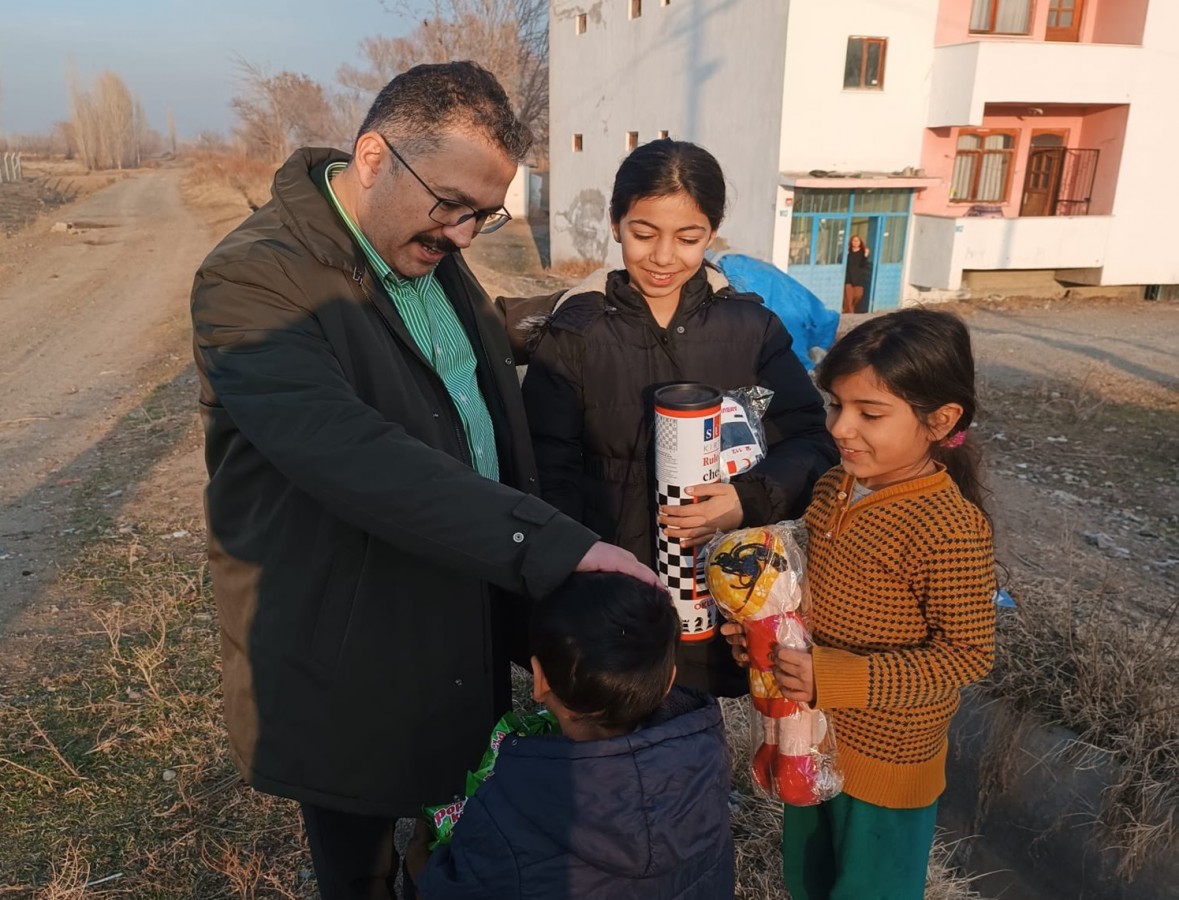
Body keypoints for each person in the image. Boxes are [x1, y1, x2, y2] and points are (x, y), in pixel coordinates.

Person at [190, 61, 657, 900]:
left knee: (454, 842)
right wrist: (552, 545)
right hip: (347, 645)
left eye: (485, 213)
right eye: (452, 206)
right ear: (373, 157)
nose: (465, 235)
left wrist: (572, 312)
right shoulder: (253, 281)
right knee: (359, 858)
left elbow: (455, 343)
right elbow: (353, 453)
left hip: (453, 601)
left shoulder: (417, 244)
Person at [511, 139, 837, 696]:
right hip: (611, 600)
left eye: (688, 238)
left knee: (690, 749)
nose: (664, 257)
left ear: (712, 234)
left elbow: (812, 442)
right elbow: (547, 473)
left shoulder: (752, 330)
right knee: (611, 747)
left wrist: (747, 499)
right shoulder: (577, 334)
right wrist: (578, 578)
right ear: (616, 225)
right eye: (644, 234)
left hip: (719, 597)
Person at [723, 307, 997, 900]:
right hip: (810, 737)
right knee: (809, 879)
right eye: (835, 406)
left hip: (887, 766)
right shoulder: (834, 487)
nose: (841, 428)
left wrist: (834, 676)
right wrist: (767, 638)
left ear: (940, 420)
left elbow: (967, 656)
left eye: (869, 413)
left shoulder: (948, 526)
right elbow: (805, 598)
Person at [414, 572, 736, 899]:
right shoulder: (706, 762)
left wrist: (421, 862)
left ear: (539, 681)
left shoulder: (507, 809)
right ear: (670, 680)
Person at [842, 234, 870, 315]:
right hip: (849, 277)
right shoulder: (848, 252)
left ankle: (849, 309)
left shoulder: (863, 252)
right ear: (851, 242)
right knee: (848, 297)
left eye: (857, 241)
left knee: (858, 295)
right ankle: (850, 313)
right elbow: (842, 262)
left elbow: (864, 265)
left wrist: (865, 256)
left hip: (858, 278)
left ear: (860, 242)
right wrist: (845, 255)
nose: (855, 242)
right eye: (854, 241)